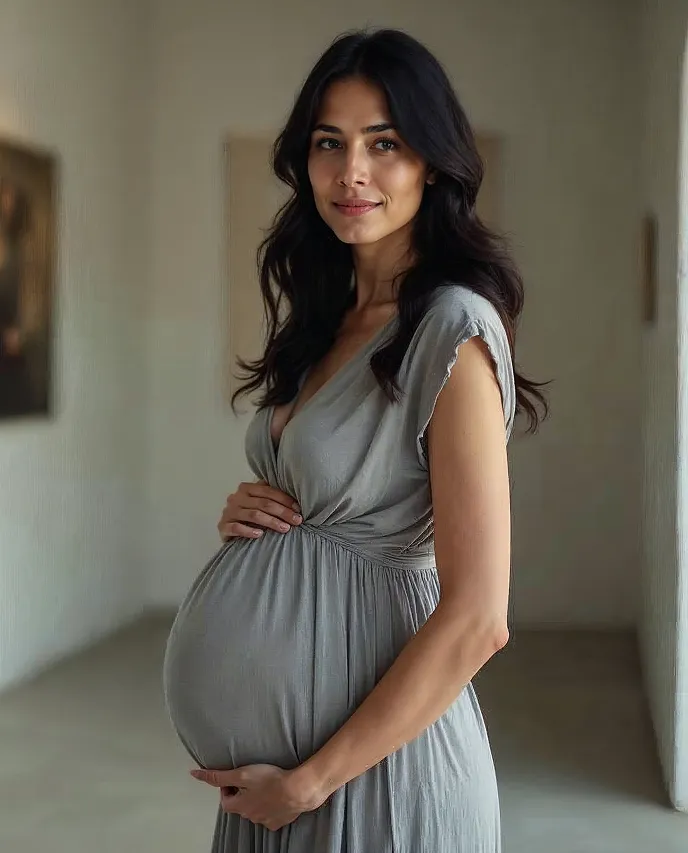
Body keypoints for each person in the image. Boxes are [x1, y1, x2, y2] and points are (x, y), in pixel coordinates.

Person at [163, 27, 547, 853]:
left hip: (372, 773)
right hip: (279, 782)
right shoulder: (325, 319)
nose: (352, 173)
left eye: (385, 143)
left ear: (434, 161)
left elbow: (480, 616)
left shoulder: (453, 328)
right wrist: (253, 518)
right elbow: (331, 501)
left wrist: (310, 780)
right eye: (328, 144)